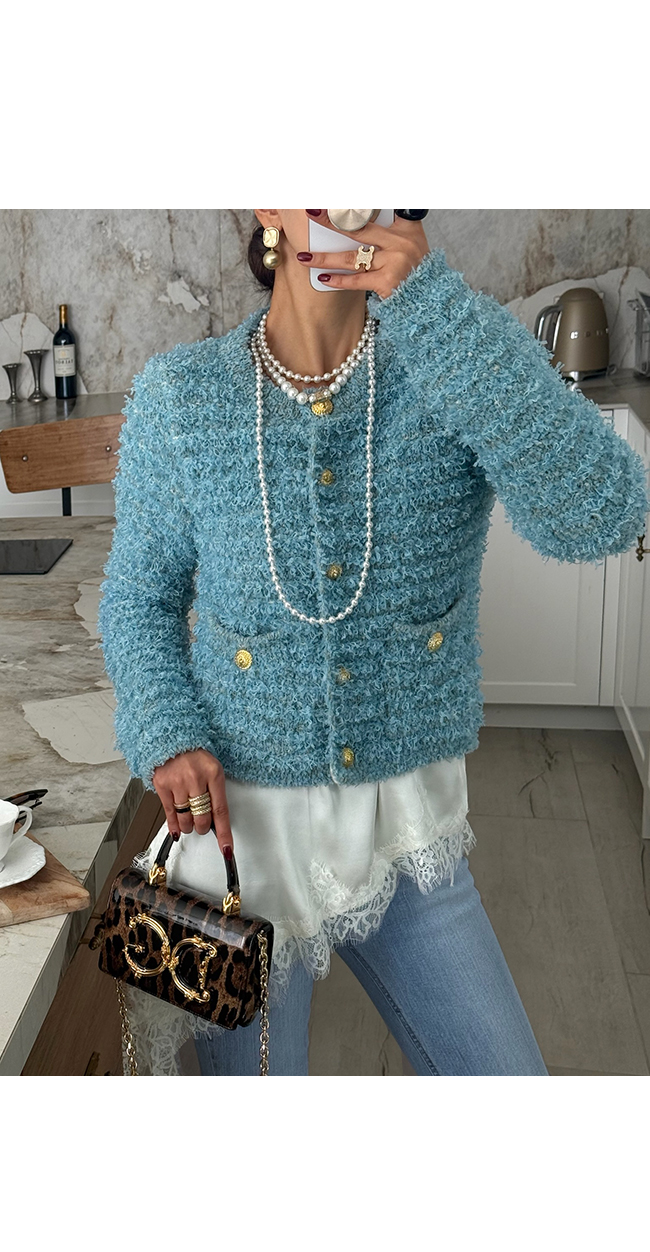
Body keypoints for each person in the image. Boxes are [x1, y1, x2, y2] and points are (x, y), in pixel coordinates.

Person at [97, 210, 650, 1076]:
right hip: (237, 852)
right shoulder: (183, 395)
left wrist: (433, 306)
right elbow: (138, 599)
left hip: (408, 842)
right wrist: (168, 733)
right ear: (267, 206)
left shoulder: (449, 358)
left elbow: (604, 514)